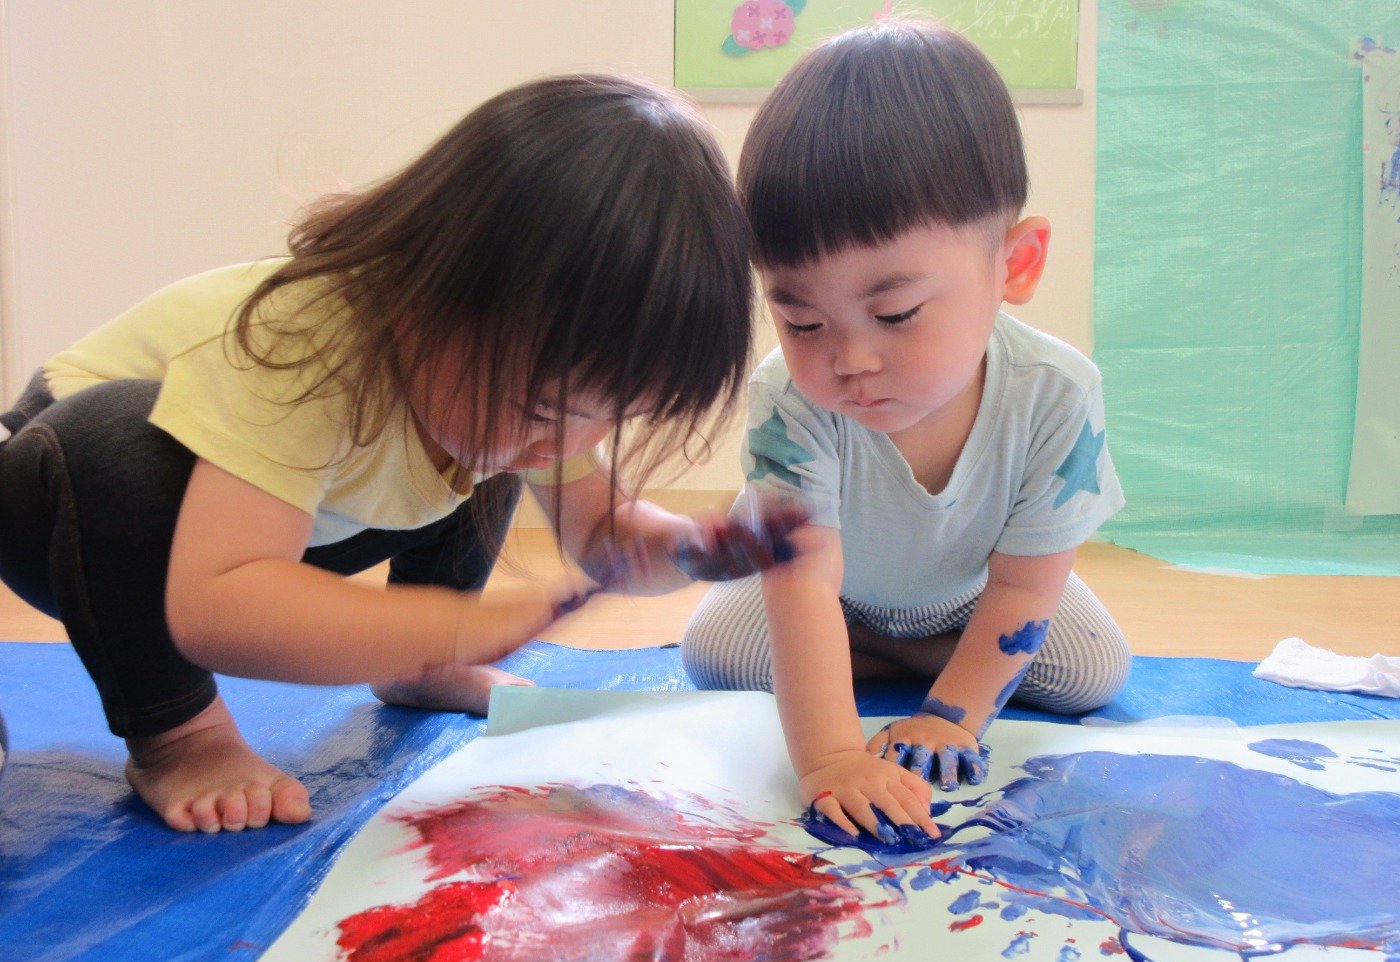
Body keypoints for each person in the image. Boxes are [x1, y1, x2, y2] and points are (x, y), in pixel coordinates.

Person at [0, 73, 791, 835]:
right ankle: (179, 735)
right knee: (119, 444)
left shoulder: (511, 378)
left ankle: (420, 675)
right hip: (63, 512)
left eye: (609, 417)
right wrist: (445, 626)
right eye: (547, 410)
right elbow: (218, 606)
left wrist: (685, 548)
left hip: (269, 530)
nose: (570, 446)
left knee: (492, 449)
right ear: (430, 293)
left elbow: (603, 533)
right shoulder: (304, 343)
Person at [682, 20, 1131, 844]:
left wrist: (951, 717)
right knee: (716, 653)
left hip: (975, 597)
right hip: (832, 594)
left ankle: (889, 657)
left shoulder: (1057, 394)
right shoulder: (789, 396)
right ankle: (876, 651)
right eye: (802, 321)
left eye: (895, 314)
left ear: (1015, 265)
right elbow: (801, 584)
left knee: (1093, 669)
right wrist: (830, 758)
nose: (849, 359)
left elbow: (1025, 589)